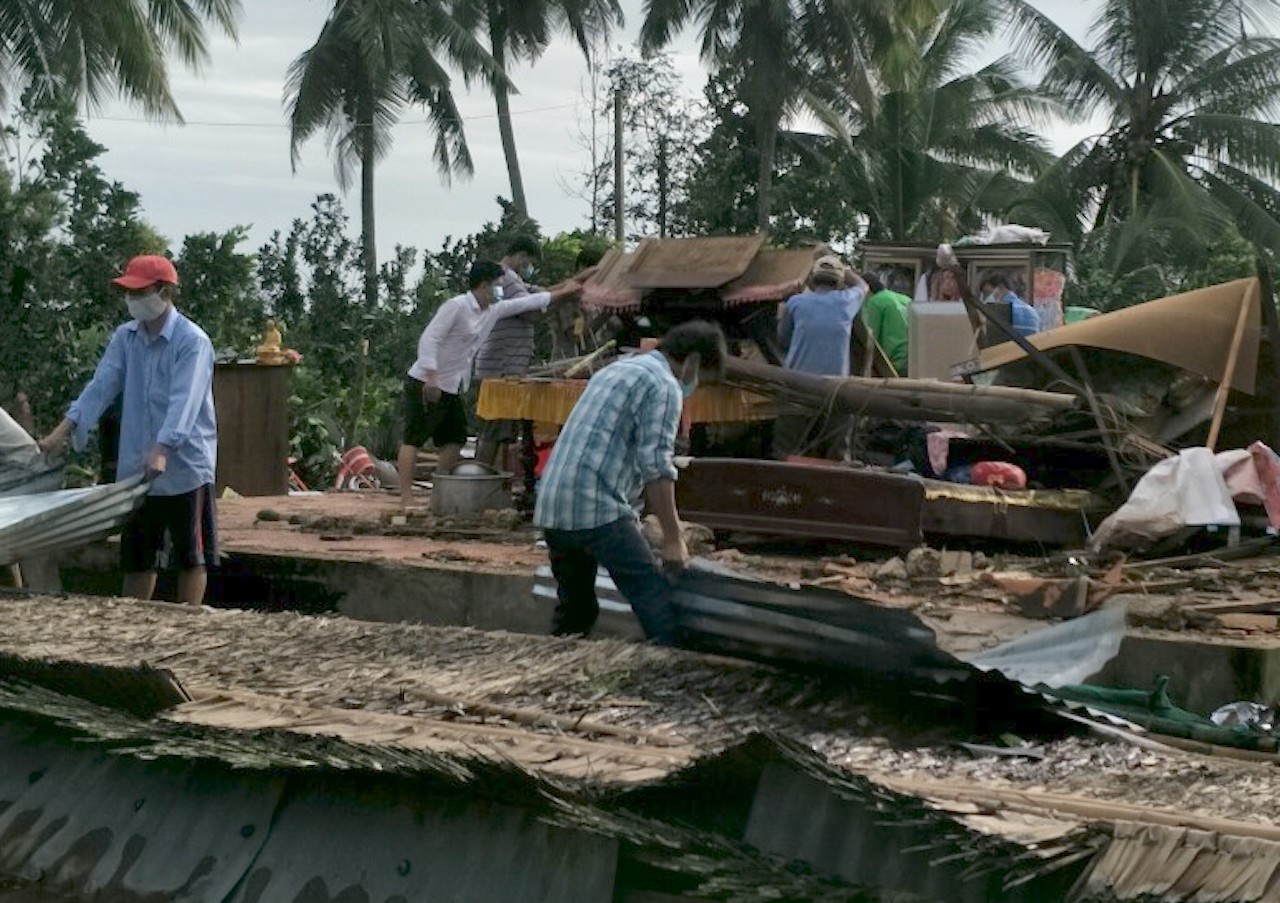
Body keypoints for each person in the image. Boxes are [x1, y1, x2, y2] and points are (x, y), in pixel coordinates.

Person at [38, 255, 218, 606]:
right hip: (138, 463)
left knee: (191, 554)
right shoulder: (126, 337)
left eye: (140, 292)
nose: (133, 300)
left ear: (164, 292)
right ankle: (131, 622)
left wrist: (164, 448)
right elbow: (102, 386)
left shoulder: (191, 341)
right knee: (138, 553)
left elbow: (186, 401)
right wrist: (63, 430)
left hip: (185, 467)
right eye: (129, 293)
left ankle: (191, 625)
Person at [534, 321, 727, 645]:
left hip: (554, 506)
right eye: (701, 380)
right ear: (692, 362)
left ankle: (554, 662)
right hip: (596, 505)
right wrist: (673, 537)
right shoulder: (664, 384)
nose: (695, 387)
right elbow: (656, 467)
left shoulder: (618, 369)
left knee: (576, 609)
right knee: (653, 594)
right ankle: (670, 670)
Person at [397, 259, 579, 507]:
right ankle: (406, 498)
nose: (500, 291)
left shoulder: (492, 310)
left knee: (455, 438)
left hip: (451, 385)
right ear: (483, 285)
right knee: (414, 438)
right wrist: (431, 377)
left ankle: (438, 496)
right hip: (426, 380)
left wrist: (565, 291)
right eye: (498, 285)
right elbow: (430, 338)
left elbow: (527, 302)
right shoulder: (457, 306)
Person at [473, 237, 590, 468]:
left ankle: (494, 480)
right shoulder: (505, 278)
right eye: (529, 262)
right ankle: (481, 480)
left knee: (502, 430)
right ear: (521, 256)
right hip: (501, 366)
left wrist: (573, 283)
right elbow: (531, 311)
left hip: (506, 366)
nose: (530, 267)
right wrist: (567, 294)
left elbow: (542, 293)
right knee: (494, 429)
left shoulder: (513, 280)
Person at [774, 255, 868, 459]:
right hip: (835, 391)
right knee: (836, 457)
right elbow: (863, 285)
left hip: (796, 388)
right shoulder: (847, 301)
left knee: (786, 454)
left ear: (812, 280)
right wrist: (847, 269)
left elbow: (782, 340)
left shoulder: (795, 302)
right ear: (839, 282)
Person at [861, 274, 911, 376]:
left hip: (894, 361)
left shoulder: (875, 302)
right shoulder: (905, 299)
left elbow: (871, 338)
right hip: (912, 357)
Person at [980, 273, 1041, 339]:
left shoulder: (1001, 311)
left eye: (987, 293)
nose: (984, 299)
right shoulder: (1032, 310)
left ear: (1001, 288)